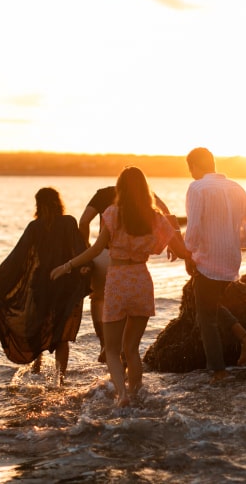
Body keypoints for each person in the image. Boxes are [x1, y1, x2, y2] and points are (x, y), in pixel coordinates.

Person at [51, 167, 191, 408]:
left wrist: (67, 265)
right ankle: (136, 394)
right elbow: (181, 250)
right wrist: (198, 254)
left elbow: (96, 249)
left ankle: (122, 395)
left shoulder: (112, 213)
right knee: (132, 348)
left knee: (113, 350)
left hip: (117, 281)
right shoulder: (155, 217)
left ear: (121, 188)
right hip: (141, 281)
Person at [0, 187, 91, 383]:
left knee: (37, 325)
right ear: (58, 203)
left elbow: (17, 258)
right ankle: (59, 380)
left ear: (38, 204)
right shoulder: (69, 222)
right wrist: (85, 267)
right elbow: (79, 249)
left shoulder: (34, 227)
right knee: (61, 334)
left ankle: (37, 365)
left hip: (41, 285)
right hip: (64, 285)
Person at [78, 186, 180, 363]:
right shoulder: (145, 193)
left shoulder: (103, 194)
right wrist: (172, 243)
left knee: (98, 299)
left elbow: (83, 221)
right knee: (129, 306)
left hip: (104, 254)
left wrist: (85, 249)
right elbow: (166, 215)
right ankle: (126, 351)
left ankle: (105, 344)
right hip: (136, 262)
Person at [184, 147, 246, 383]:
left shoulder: (197, 188)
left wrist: (189, 253)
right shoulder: (237, 187)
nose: (191, 173)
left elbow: (193, 227)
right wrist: (238, 243)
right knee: (210, 304)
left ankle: (218, 371)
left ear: (195, 165)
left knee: (205, 317)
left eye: (190, 168)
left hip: (208, 259)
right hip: (231, 258)